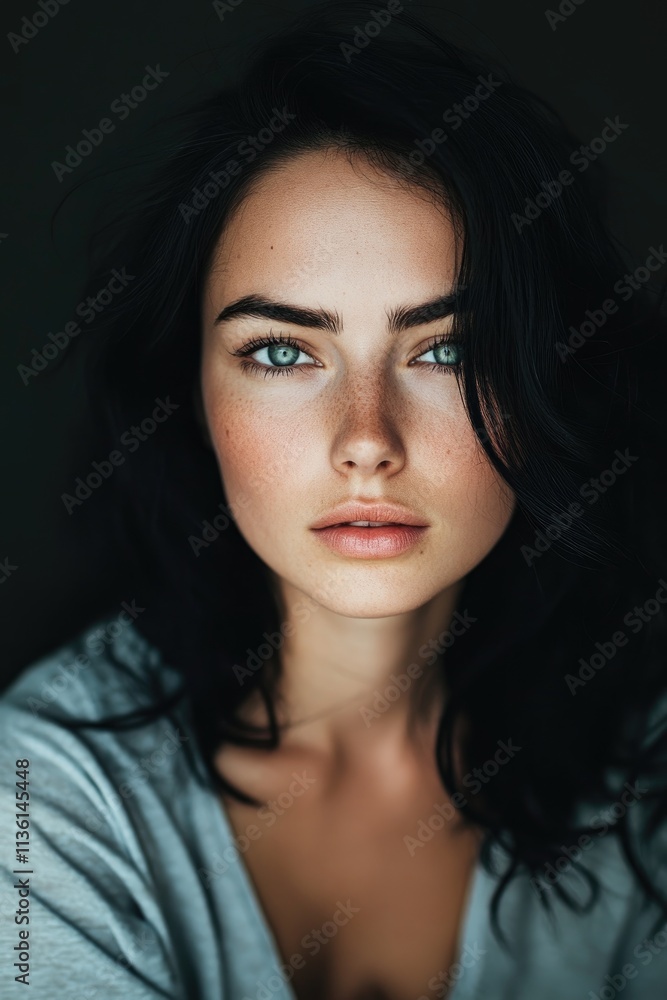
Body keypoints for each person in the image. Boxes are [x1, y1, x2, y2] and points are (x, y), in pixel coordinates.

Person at [2, 1, 667, 997]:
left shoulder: (640, 770)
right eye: (281, 352)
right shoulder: (44, 792)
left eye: (447, 351)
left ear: (547, 384)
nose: (367, 440)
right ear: (191, 397)